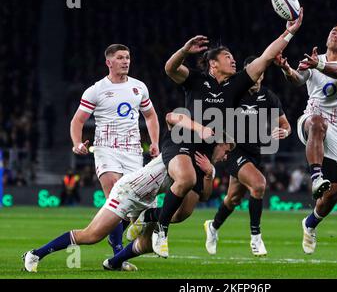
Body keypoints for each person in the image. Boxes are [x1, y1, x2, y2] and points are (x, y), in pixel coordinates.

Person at [153, 8, 304, 258]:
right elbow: (170, 69)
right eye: (227, 56)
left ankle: (149, 216)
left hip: (206, 152)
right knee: (188, 179)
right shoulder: (196, 80)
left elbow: (266, 57)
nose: (233, 60)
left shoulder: (235, 86)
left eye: (233, 57)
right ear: (213, 63)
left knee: (187, 210)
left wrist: (289, 32)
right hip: (180, 141)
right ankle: (161, 230)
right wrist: (183, 50)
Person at [23, 112, 233, 273]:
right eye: (227, 150)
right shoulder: (187, 144)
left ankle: (114, 262)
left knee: (148, 244)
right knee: (91, 235)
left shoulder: (205, 167)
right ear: (218, 142)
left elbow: (203, 197)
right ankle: (34, 254)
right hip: (130, 191)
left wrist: (208, 175)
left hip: (148, 199)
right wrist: (201, 128)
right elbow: (172, 116)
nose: (226, 157)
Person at [276, 24, 337, 254]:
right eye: (333, 32)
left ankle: (310, 223)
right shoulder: (314, 60)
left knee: (335, 190)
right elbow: (297, 79)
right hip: (312, 118)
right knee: (317, 122)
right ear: (327, 40)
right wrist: (287, 69)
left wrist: (320, 65)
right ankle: (316, 176)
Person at [69, 44, 160, 259]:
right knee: (115, 196)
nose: (125, 61)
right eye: (120, 58)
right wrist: (77, 143)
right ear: (109, 62)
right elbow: (77, 120)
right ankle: (118, 253)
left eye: (127, 57)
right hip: (106, 149)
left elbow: (151, 116)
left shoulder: (139, 87)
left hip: (133, 151)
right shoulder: (96, 90)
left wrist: (154, 142)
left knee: (131, 203)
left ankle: (117, 238)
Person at [203, 55, 291, 256]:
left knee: (233, 198)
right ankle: (256, 237)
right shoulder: (234, 93)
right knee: (259, 184)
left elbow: (286, 126)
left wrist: (284, 132)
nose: (257, 75)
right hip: (234, 151)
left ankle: (213, 227)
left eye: (260, 71)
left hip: (255, 153)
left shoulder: (269, 97)